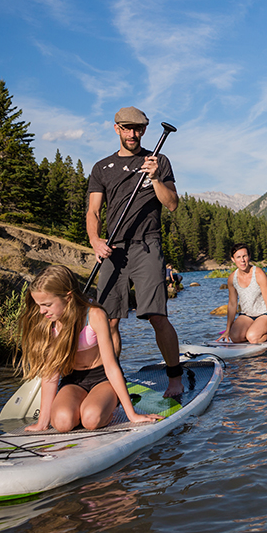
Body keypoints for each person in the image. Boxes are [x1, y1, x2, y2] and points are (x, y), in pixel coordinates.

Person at [86, 106, 184, 397]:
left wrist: (154, 178)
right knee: (109, 319)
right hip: (113, 249)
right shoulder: (102, 168)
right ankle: (113, 383)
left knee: (156, 315)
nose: (133, 134)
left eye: (138, 129)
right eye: (127, 128)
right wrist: (94, 240)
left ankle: (175, 377)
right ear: (116, 129)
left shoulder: (158, 161)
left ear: (144, 130)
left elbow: (172, 204)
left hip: (147, 245)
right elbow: (93, 210)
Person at [19, 265, 163, 432]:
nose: (42, 311)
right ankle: (82, 407)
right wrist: (42, 423)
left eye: (47, 304)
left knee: (91, 420)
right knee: (61, 423)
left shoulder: (94, 315)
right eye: (39, 305)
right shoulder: (49, 323)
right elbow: (50, 374)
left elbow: (111, 367)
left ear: (68, 297)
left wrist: (132, 415)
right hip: (73, 381)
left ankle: (109, 408)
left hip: (102, 379)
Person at [219, 243, 267, 344]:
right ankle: (254, 331)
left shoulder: (259, 274)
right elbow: (232, 304)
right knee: (235, 337)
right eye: (238, 257)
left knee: (253, 337)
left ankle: (265, 333)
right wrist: (228, 330)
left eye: (244, 256)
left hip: (265, 314)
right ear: (233, 259)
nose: (242, 260)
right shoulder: (232, 278)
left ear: (249, 256)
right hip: (247, 315)